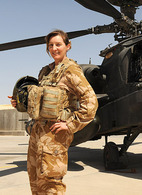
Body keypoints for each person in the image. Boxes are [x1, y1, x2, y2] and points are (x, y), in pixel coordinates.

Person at [9, 29, 98, 194]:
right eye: (51, 45)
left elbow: (91, 101)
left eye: (58, 44)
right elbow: (39, 102)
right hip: (37, 133)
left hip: (54, 136)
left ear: (68, 46)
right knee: (35, 181)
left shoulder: (71, 70)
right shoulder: (45, 71)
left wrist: (70, 124)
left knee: (51, 184)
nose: (54, 49)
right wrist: (19, 103)